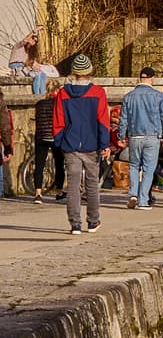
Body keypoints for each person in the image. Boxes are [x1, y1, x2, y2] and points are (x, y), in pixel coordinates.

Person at [55, 55, 113, 235]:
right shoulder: (98, 92)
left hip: (71, 144)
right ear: (89, 72)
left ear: (74, 72)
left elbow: (58, 120)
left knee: (72, 185)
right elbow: (103, 120)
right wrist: (105, 144)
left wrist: (60, 141)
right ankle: (93, 220)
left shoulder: (63, 93)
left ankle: (75, 223)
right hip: (91, 143)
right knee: (92, 183)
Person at [120, 68, 163, 209]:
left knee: (134, 166)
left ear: (140, 78)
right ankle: (143, 200)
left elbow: (123, 118)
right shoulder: (159, 96)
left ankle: (132, 194)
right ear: (152, 79)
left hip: (134, 135)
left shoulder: (129, 96)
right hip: (152, 136)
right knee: (149, 169)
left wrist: (121, 135)